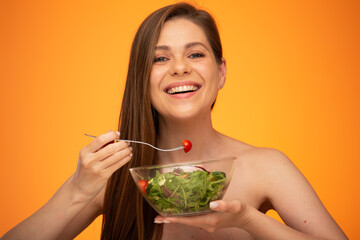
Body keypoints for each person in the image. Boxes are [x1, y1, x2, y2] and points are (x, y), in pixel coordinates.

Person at [2, 2, 348, 240]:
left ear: (221, 72)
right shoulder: (115, 174)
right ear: (141, 78)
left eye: (195, 54)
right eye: (160, 58)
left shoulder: (265, 166)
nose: (180, 67)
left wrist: (247, 220)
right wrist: (77, 190)